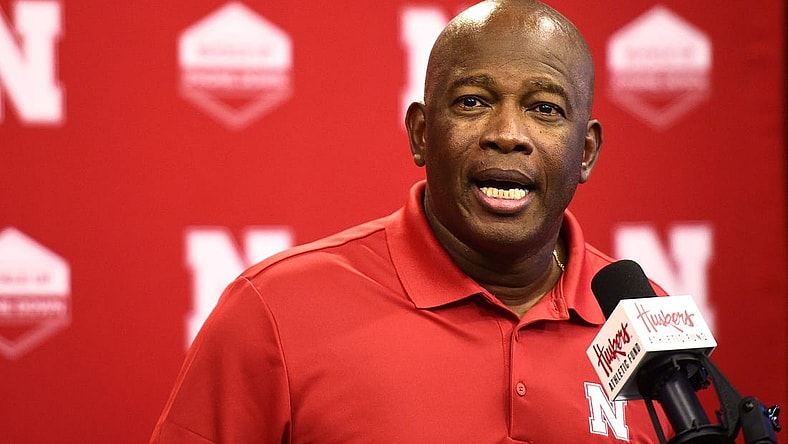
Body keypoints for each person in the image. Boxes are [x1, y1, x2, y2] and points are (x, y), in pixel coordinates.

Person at [151, 0, 671, 442]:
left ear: (585, 152)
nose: (508, 133)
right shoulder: (273, 311)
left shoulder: (652, 325)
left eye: (545, 108)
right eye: (473, 102)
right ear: (422, 133)